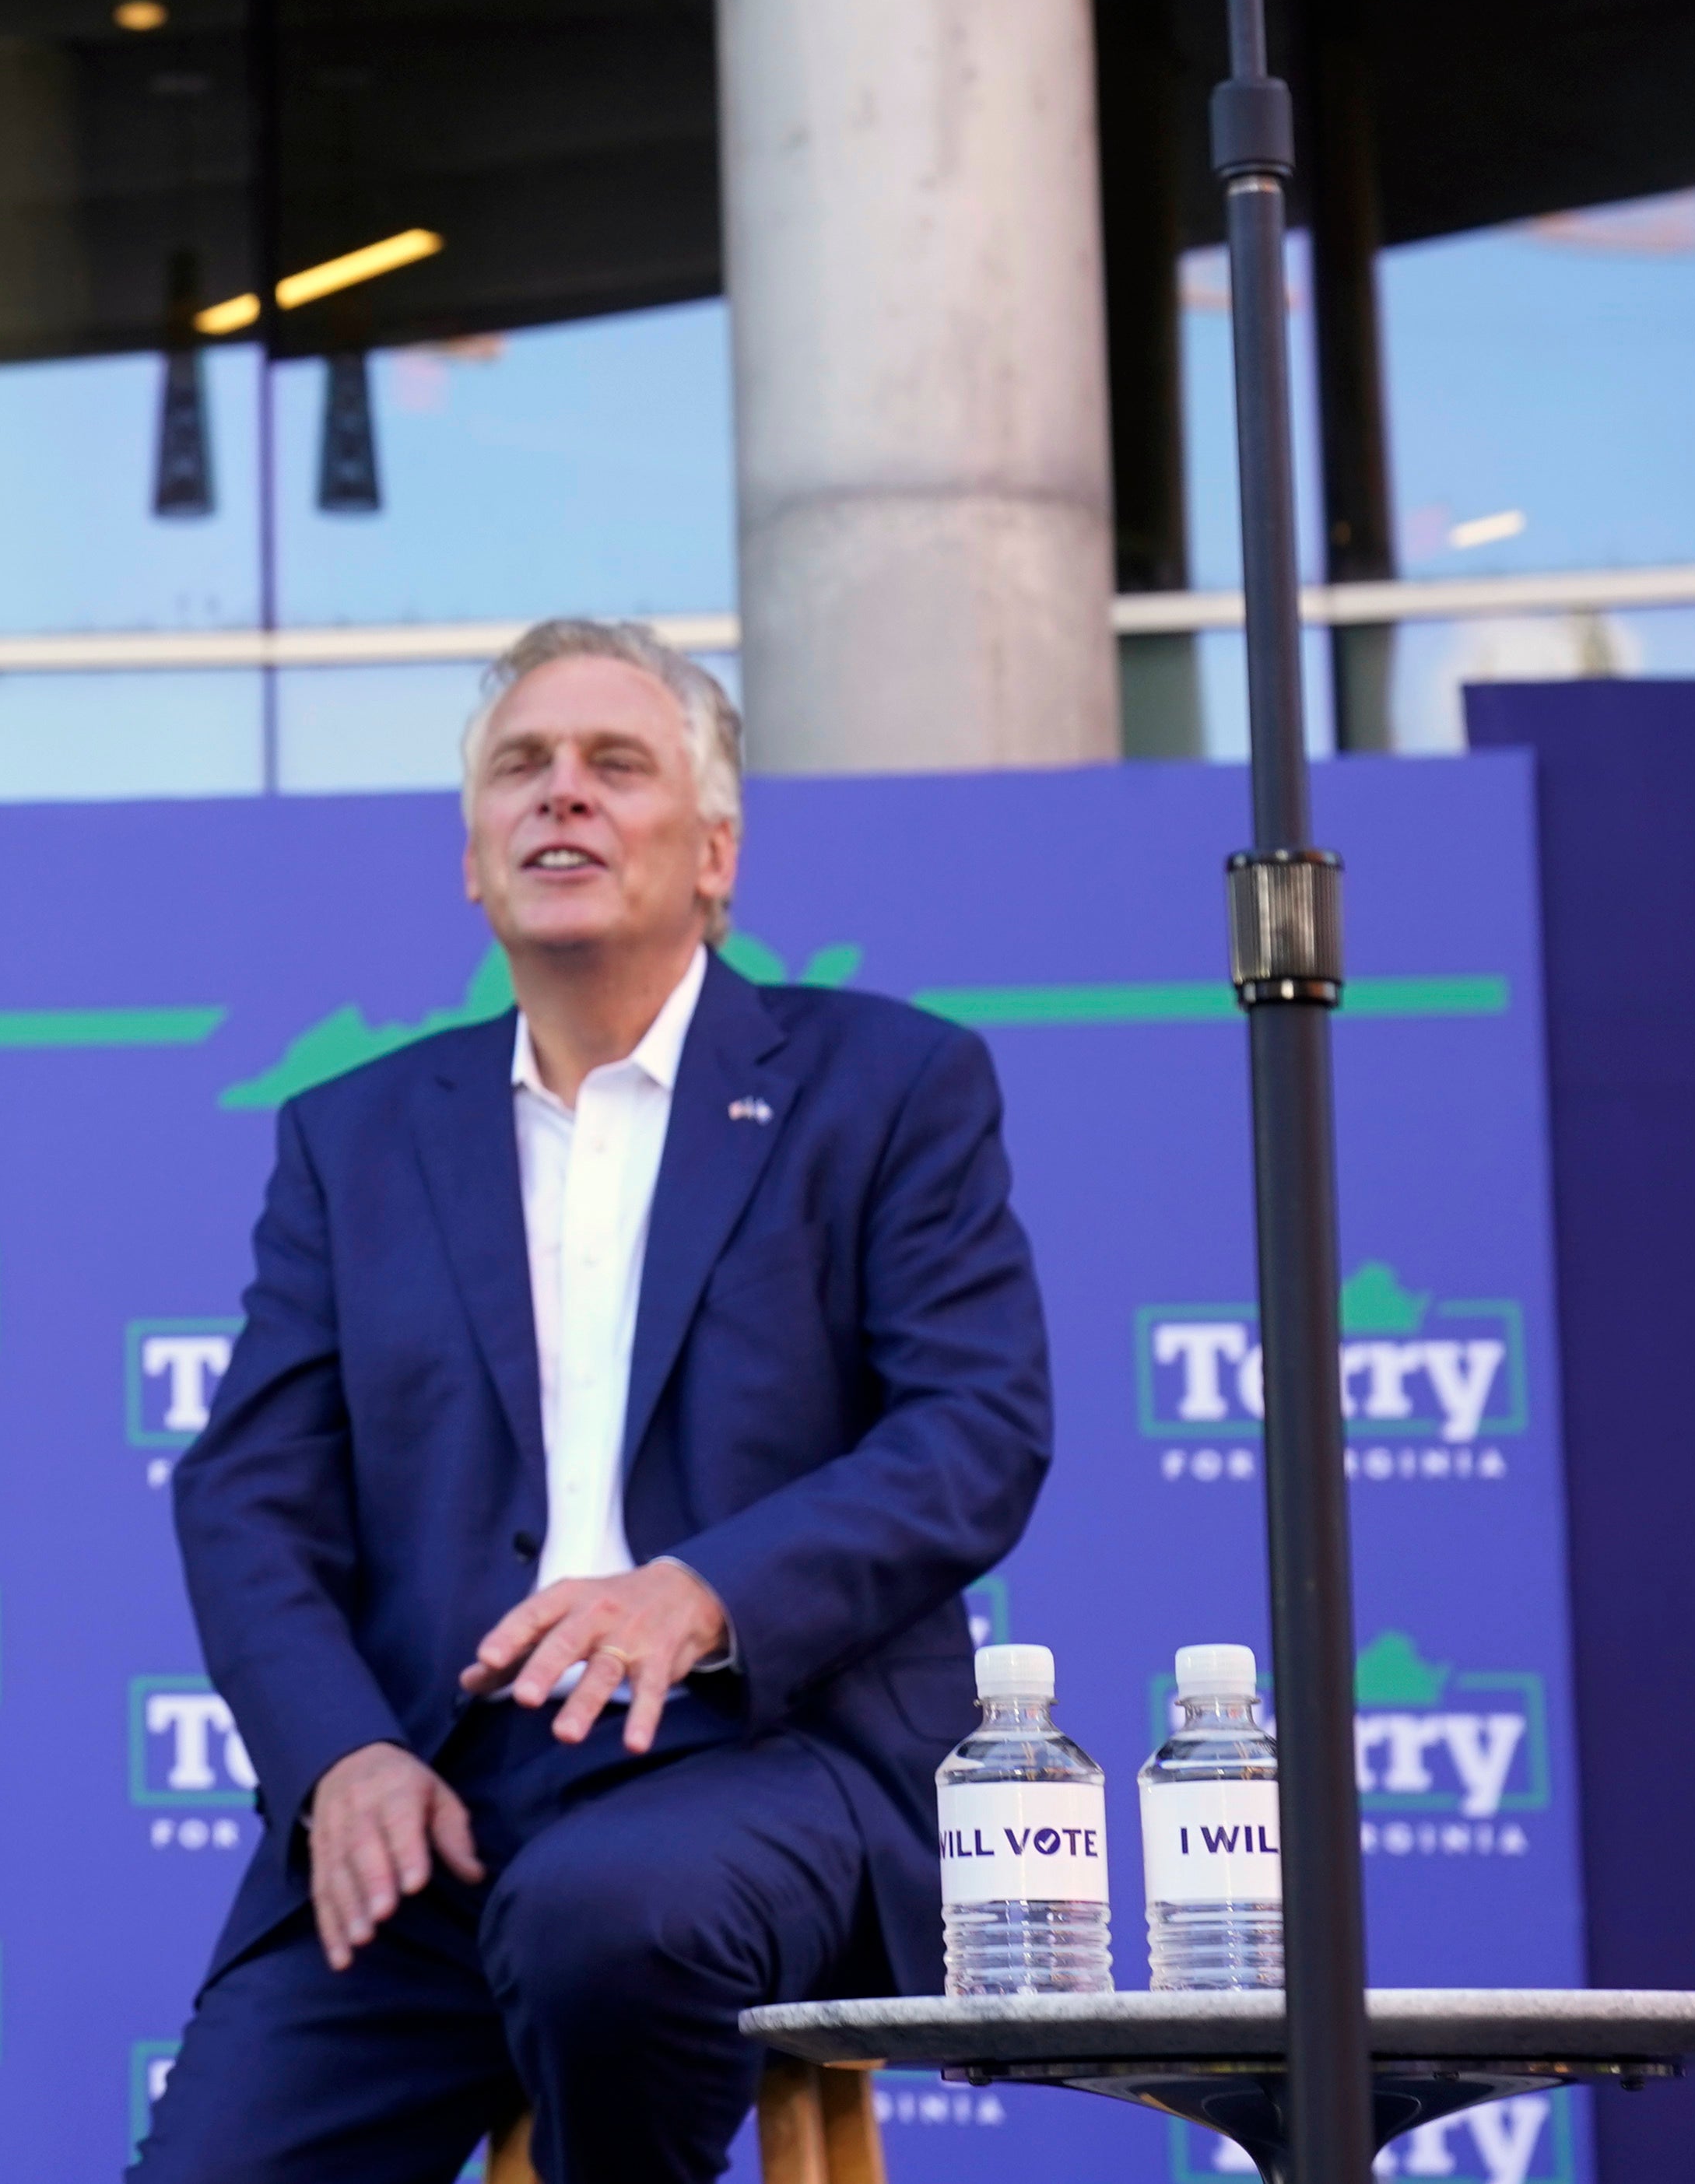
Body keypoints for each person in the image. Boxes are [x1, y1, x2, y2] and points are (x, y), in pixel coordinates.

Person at [138, 619, 1052, 2184]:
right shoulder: (350, 1138)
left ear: (712, 852)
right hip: (429, 1803)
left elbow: (973, 1428)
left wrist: (700, 1593)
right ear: (471, 863)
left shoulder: (885, 1087)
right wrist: (338, 1760)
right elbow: (246, 1498)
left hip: (768, 1761)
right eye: (519, 769)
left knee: (600, 1921)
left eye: (611, 766)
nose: (558, 796)